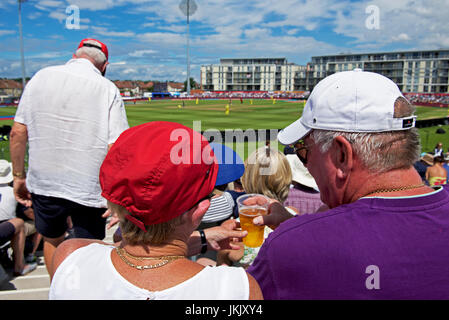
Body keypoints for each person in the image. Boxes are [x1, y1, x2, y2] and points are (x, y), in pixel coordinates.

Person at [247, 69, 449, 299]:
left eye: (305, 151)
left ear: (342, 155)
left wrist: (298, 235)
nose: (307, 165)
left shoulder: (288, 246)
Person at [49, 121, 262, 300]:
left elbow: (129, 250)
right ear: (200, 210)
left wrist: (205, 238)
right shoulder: (238, 288)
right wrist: (204, 240)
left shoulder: (70, 255)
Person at [9, 38, 130, 275]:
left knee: (53, 240)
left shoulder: (40, 77)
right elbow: (116, 146)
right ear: (104, 66)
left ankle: (58, 290)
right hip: (88, 186)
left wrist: (18, 177)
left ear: (75, 56)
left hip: (45, 183)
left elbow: (17, 132)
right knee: (89, 247)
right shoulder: (107, 88)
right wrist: (116, 193)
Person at [217, 147, 294, 268]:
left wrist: (222, 255)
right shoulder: (294, 217)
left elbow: (221, 276)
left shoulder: (234, 231)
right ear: (287, 179)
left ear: (246, 180)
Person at [0, 160, 36, 276]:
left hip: (4, 229)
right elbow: (29, 214)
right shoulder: (14, 193)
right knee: (38, 223)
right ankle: (23, 262)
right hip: (7, 229)